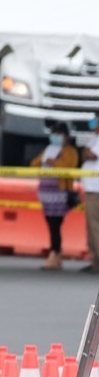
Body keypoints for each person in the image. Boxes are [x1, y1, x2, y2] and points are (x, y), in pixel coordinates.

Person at [33, 122, 80, 271]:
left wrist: (54, 162)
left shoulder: (70, 152)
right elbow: (33, 164)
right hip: (46, 194)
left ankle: (54, 253)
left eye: (60, 134)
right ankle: (57, 254)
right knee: (51, 224)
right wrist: (42, 160)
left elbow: (68, 166)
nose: (56, 137)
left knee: (55, 225)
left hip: (60, 194)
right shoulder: (47, 150)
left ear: (67, 137)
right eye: (54, 134)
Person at [84, 117, 99, 274]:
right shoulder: (94, 139)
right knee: (91, 226)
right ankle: (95, 260)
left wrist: (88, 152)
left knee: (95, 226)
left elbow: (90, 155)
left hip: (96, 189)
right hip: (91, 188)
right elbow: (85, 154)